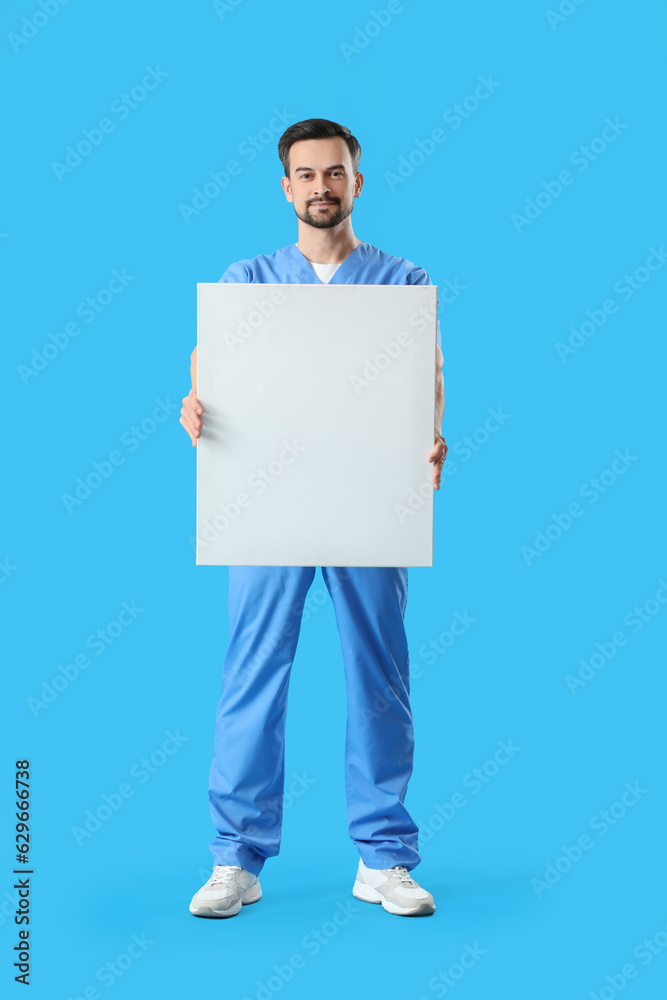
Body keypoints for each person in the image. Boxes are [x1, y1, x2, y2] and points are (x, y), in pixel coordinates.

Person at [181, 118, 447, 919]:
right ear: (286, 186)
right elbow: (210, 362)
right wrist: (194, 406)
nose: (321, 187)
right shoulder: (249, 277)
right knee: (252, 671)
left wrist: (433, 439)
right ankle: (236, 858)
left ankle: (383, 859)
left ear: (356, 183)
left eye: (335, 174)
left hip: (370, 497)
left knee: (379, 674)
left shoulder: (400, 279)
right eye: (306, 175)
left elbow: (426, 370)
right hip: (266, 499)